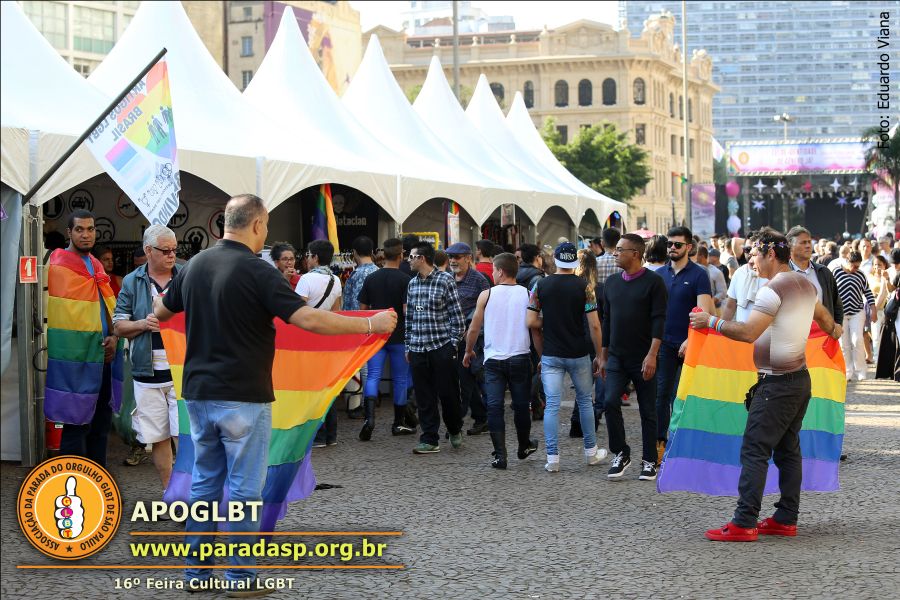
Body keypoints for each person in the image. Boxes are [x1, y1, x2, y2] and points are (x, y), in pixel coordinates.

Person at [154, 194, 396, 590]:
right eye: (265, 225)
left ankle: (195, 574)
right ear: (256, 226)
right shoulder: (258, 271)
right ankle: (239, 578)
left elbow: (162, 312)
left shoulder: (193, 265)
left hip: (198, 394)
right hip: (244, 397)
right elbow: (308, 321)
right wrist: (370, 325)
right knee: (246, 491)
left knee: (204, 484)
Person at [689, 229, 841, 542]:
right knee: (787, 451)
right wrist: (836, 332)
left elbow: (747, 332)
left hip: (777, 384)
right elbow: (827, 322)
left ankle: (744, 522)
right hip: (799, 380)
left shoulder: (773, 290)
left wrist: (711, 322)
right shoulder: (805, 284)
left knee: (754, 449)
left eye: (755, 254)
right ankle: (786, 517)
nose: (751, 261)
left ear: (771, 254)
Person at [46, 210, 121, 467]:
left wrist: (114, 336)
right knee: (75, 426)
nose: (86, 234)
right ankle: (70, 480)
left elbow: (107, 307)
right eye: (80, 230)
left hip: (104, 356)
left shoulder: (97, 265)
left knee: (101, 425)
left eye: (90, 229)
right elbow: (65, 317)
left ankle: (97, 484)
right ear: (69, 233)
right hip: (76, 359)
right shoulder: (59, 263)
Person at [527, 242, 608, 472]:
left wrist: (548, 327)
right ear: (574, 262)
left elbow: (531, 322)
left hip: (552, 353)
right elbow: (594, 326)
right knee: (584, 401)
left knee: (552, 404)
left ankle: (552, 458)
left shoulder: (540, 285)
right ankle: (591, 453)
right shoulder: (585, 287)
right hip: (579, 352)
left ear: (556, 260)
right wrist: (600, 355)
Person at [113, 225, 181, 491]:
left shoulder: (185, 275)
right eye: (165, 250)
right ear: (148, 250)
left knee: (183, 436)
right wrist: (144, 323)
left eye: (175, 249)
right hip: (146, 371)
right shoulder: (132, 280)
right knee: (159, 437)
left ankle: (189, 492)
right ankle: (170, 492)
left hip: (181, 370)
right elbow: (118, 325)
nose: (171, 255)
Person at [600, 234, 668, 481]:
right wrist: (603, 354)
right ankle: (621, 452)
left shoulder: (654, 283)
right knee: (609, 402)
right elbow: (606, 320)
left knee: (648, 410)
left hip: (644, 357)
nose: (615, 253)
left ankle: (649, 460)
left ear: (636, 254)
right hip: (617, 356)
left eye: (620, 250)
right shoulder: (611, 283)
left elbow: (659, 320)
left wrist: (652, 355)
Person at [463, 253, 538, 469]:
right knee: (521, 405)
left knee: (494, 406)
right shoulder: (527, 294)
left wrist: (469, 351)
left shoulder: (486, 295)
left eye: (494, 270)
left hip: (493, 359)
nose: (493, 274)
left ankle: (500, 455)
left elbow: (474, 328)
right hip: (520, 357)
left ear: (501, 271)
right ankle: (524, 446)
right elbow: (534, 326)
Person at [655, 227, 715, 466]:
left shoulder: (700, 275)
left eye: (677, 244)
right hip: (664, 344)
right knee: (662, 396)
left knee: (687, 396)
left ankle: (687, 444)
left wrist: (691, 339)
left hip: (691, 343)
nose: (672, 248)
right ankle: (660, 443)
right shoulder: (659, 274)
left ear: (689, 247)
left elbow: (704, 311)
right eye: (669, 244)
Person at [405, 242, 466, 453]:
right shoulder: (412, 284)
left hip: (441, 346)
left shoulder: (445, 280)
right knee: (423, 396)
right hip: (418, 348)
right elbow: (410, 318)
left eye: (411, 256)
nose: (409, 260)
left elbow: (457, 318)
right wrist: (408, 345)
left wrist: (453, 345)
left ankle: (454, 428)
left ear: (422, 258)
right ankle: (430, 438)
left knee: (448, 393)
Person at [358, 238, 414, 438]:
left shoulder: (372, 278)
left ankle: (369, 419)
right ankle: (398, 424)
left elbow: (363, 309)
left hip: (376, 335)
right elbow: (408, 312)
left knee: (373, 375)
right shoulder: (406, 279)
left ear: (382, 255)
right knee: (400, 379)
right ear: (401, 255)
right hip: (399, 336)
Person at [296, 239, 343, 446]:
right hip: (328, 338)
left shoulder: (305, 280)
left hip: (308, 339)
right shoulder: (336, 279)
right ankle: (330, 434)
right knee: (328, 387)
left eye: (308, 254)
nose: (307, 258)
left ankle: (318, 435)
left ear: (314, 257)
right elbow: (337, 313)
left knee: (311, 389)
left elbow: (298, 312)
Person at [446, 242, 491, 435]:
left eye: (457, 257)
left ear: (468, 258)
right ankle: (481, 417)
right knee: (466, 381)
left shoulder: (480, 280)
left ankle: (454, 426)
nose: (453, 261)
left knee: (463, 383)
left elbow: (488, 310)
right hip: (449, 338)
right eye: (451, 258)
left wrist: (474, 331)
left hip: (471, 341)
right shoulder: (447, 278)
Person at [569, 250, 606, 438]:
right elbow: (603, 319)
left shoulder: (571, 288)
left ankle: (577, 421)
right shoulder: (600, 288)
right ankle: (596, 413)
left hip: (576, 339)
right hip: (597, 339)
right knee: (601, 379)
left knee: (582, 387)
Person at [343, 236, 380, 423]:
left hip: (358, 325)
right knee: (371, 367)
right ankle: (370, 401)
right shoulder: (378, 271)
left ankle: (361, 403)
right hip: (377, 326)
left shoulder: (356, 275)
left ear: (354, 253)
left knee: (361, 367)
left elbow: (354, 305)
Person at [833, 251, 876, 381]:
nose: (855, 269)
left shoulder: (860, 274)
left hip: (857, 312)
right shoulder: (836, 272)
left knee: (857, 340)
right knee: (843, 344)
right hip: (841, 314)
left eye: (858, 266)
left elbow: (867, 291)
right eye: (854, 266)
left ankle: (861, 370)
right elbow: (831, 291)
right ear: (847, 261)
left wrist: (873, 309)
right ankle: (847, 372)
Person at [786, 226, 844, 324]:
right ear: (790, 246)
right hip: (794, 336)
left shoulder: (824, 272)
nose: (808, 245)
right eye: (803, 242)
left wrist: (837, 327)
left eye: (809, 242)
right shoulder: (783, 274)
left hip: (823, 336)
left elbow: (837, 304)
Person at [723, 230, 769, 323]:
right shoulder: (739, 273)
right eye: (747, 249)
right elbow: (730, 307)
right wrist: (718, 333)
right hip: (741, 335)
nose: (751, 253)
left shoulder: (773, 274)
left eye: (755, 250)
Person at [868, 255, 891, 362]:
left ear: (885, 265)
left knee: (885, 336)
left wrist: (875, 309)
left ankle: (885, 359)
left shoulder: (886, 276)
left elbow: (883, 294)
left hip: (882, 310)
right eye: (875, 265)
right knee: (875, 336)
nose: (877, 267)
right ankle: (877, 359)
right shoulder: (869, 276)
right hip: (871, 308)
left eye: (880, 265)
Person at [701, 248, 728, 313]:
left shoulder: (716, 272)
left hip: (715, 309)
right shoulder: (694, 269)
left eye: (710, 256)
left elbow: (722, 292)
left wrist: (711, 301)